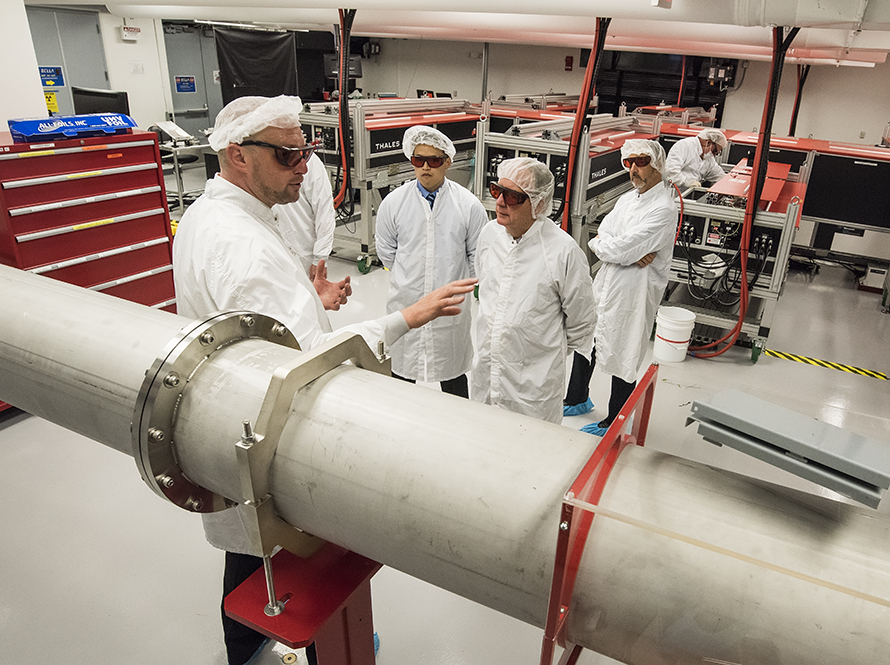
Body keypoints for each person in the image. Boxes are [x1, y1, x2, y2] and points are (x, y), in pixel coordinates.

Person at [172, 95, 475, 665]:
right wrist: (406, 317)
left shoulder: (210, 217)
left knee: (248, 554)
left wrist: (312, 299)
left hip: (230, 422)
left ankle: (244, 650)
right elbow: (304, 366)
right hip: (274, 435)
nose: (305, 166)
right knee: (303, 561)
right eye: (288, 155)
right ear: (238, 155)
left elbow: (256, 320)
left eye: (305, 150)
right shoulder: (241, 242)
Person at [563, 139, 678, 436]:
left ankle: (614, 420)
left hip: (634, 293)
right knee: (589, 338)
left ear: (657, 164)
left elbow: (622, 247)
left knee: (625, 350)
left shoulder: (664, 209)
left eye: (641, 161)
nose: (633, 169)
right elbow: (604, 237)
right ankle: (576, 398)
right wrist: (609, 247)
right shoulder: (628, 199)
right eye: (628, 162)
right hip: (608, 283)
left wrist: (613, 248)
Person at [471, 157, 595, 424]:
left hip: (533, 386)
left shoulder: (562, 252)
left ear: (538, 204)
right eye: (497, 191)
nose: (501, 201)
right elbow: (485, 282)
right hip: (487, 370)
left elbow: (582, 322)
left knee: (531, 452)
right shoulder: (490, 235)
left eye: (514, 196)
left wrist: (534, 351)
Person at [375, 125, 487, 398]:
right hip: (406, 299)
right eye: (418, 160)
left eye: (434, 161)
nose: (425, 167)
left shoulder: (468, 205)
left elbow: (479, 256)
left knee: (452, 374)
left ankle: (457, 430)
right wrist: (410, 276)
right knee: (401, 372)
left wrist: (452, 281)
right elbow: (386, 250)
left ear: (447, 162)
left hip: (450, 304)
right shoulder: (394, 202)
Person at [274, 149, 347, 310]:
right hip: (275, 253)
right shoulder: (266, 161)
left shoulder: (309, 163)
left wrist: (320, 257)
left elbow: (325, 211)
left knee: (308, 307)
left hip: (305, 253)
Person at [663, 128, 727, 189]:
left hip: (689, 192)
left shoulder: (708, 157)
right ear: (708, 142)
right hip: (674, 190)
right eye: (715, 151)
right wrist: (686, 182)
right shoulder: (685, 145)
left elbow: (717, 173)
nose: (714, 155)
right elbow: (670, 170)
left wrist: (728, 182)